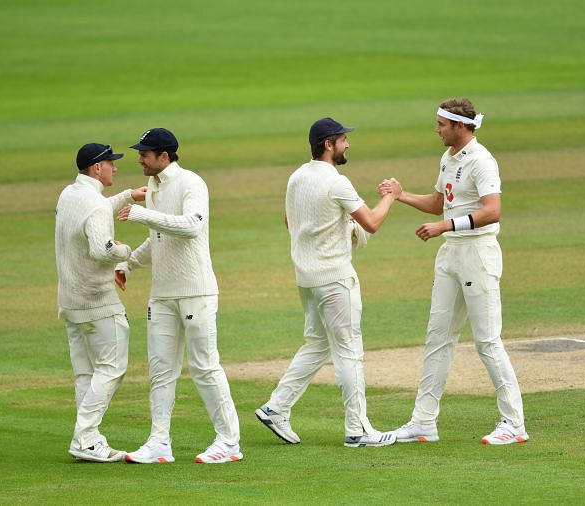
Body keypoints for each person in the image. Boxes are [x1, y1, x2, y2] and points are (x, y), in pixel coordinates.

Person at [382, 98, 528, 445]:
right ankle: (423, 422)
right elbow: (438, 202)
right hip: (450, 255)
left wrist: (444, 226)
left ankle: (514, 423)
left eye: (441, 125)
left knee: (488, 341)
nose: (436, 130)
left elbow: (493, 211)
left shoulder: (481, 160)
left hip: (477, 254)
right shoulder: (449, 158)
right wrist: (400, 196)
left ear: (460, 126)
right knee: (437, 337)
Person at [255, 117, 398, 448]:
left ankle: (276, 408)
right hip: (334, 278)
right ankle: (357, 430)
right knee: (349, 349)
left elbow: (289, 221)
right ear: (328, 145)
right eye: (343, 140)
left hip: (306, 278)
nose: (348, 145)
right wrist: (390, 196)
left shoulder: (297, 177)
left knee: (318, 344)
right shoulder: (338, 183)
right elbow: (373, 222)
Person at [116, 128, 242, 464]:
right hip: (162, 294)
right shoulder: (155, 188)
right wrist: (127, 264)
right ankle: (159, 443)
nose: (140, 158)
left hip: (196, 291)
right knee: (160, 370)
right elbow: (158, 239)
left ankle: (229, 442)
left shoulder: (191, 183)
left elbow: (191, 226)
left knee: (204, 367)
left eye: (145, 153)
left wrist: (141, 213)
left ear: (164, 156)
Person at [55, 143, 147, 463]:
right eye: (110, 164)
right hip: (96, 300)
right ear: (97, 168)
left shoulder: (70, 195)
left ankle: (85, 440)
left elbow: (95, 209)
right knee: (112, 367)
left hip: (70, 301)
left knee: (85, 372)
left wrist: (127, 196)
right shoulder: (93, 204)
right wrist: (124, 251)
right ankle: (87, 437)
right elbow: (101, 250)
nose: (115, 168)